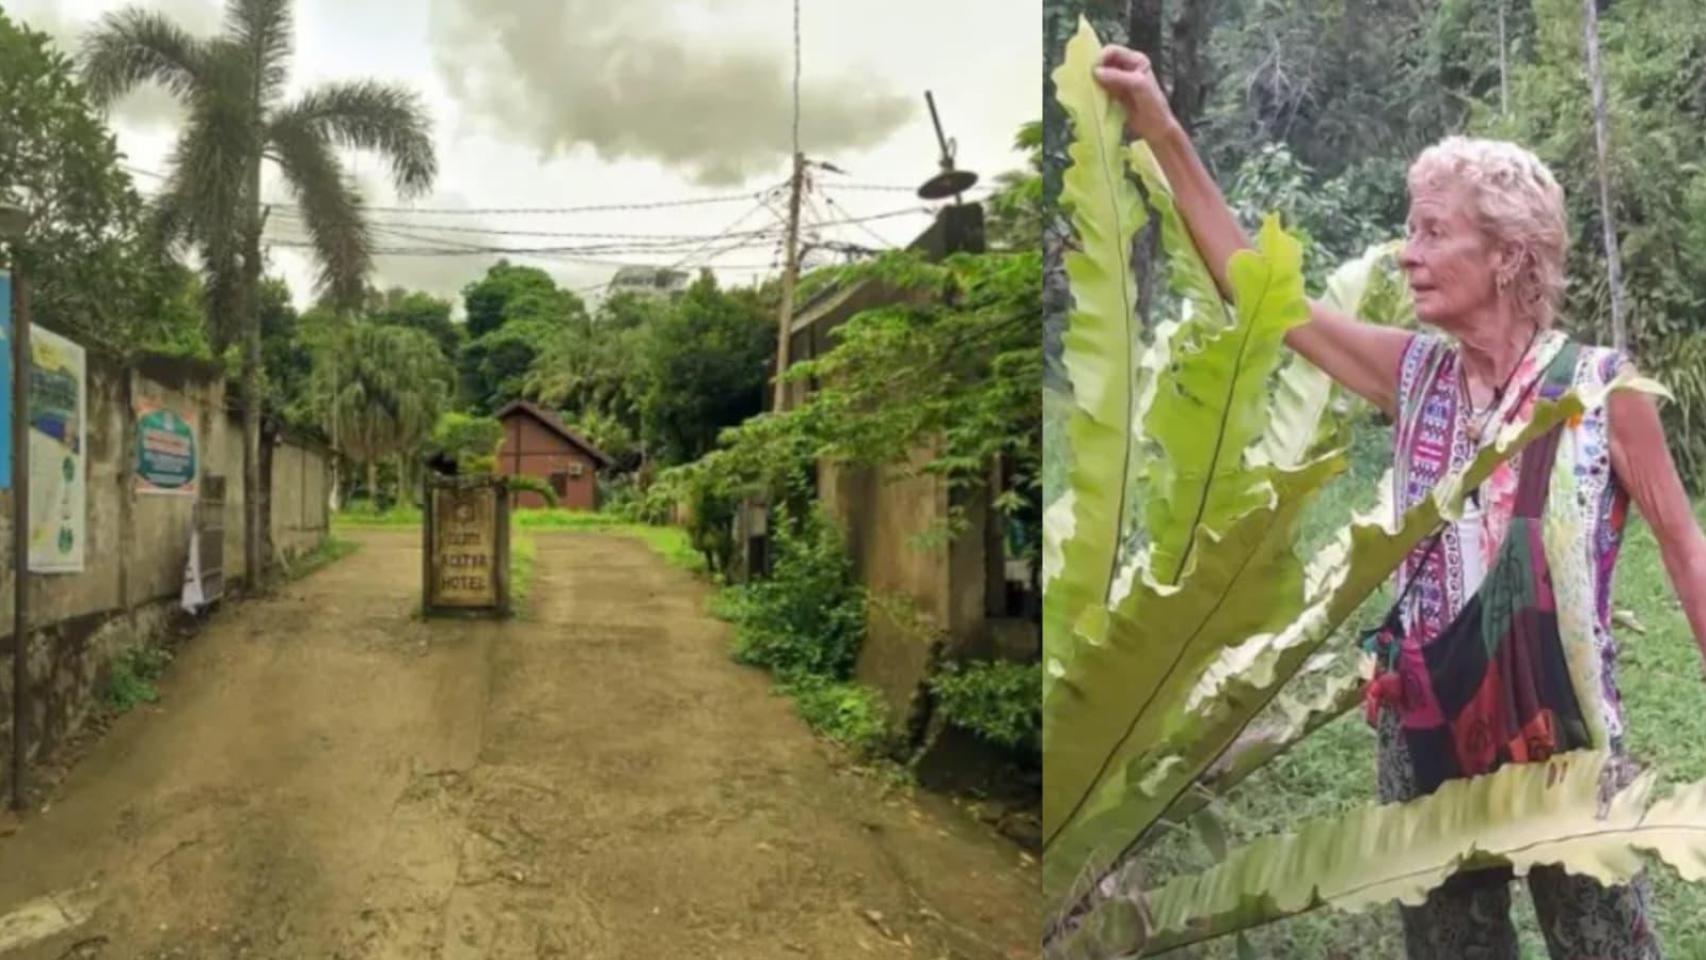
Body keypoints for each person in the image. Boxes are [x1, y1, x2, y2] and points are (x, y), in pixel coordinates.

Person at [1092, 44, 1706, 960]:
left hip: (1567, 746)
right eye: (1409, 231)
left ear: (1508, 255)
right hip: (1426, 732)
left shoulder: (1602, 391)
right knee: (1451, 947)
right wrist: (1163, 130)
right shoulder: (1413, 372)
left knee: (1604, 946)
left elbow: (1684, 546)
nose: (1408, 255)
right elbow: (1260, 293)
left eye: (1431, 233)